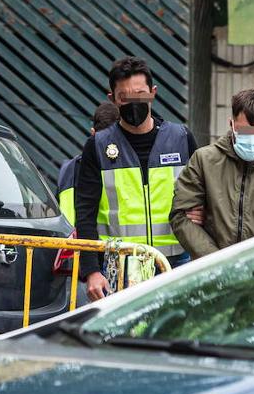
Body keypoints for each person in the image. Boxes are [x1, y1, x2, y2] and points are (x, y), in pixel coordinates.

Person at [73, 56, 197, 301]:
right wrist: (91, 271)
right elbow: (85, 213)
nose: (133, 103)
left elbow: (203, 193)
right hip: (119, 269)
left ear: (153, 93)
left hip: (176, 264)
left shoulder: (181, 138)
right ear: (112, 99)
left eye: (139, 94)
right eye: (124, 97)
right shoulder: (98, 146)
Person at [171, 89, 254, 259]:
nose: (252, 137)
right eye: (244, 130)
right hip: (212, 272)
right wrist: (218, 263)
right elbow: (181, 216)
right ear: (231, 124)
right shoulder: (204, 160)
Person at [56, 101, 120, 225]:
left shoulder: (68, 169)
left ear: (92, 132)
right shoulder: (126, 169)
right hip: (103, 242)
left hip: (68, 241)